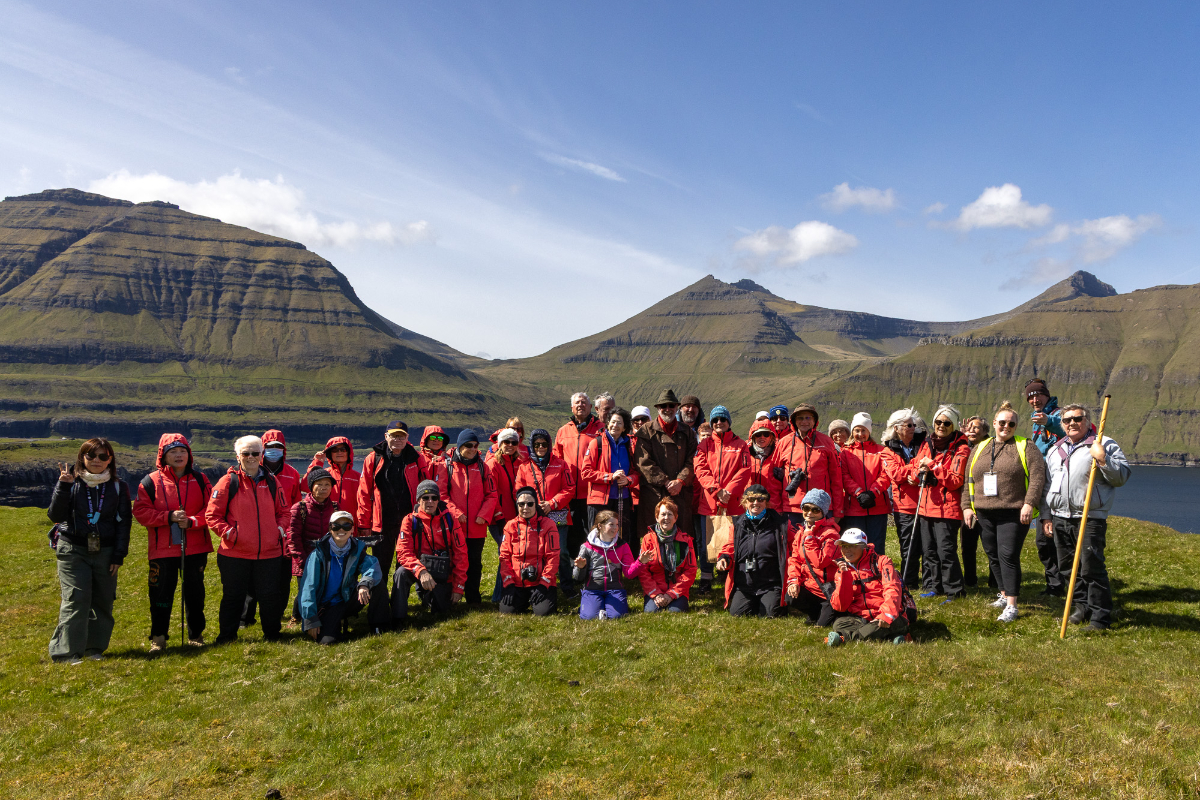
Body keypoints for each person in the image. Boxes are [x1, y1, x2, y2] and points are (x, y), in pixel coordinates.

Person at [1043, 403, 1131, 631]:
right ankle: (1082, 607)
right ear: (1061, 424)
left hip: (1089, 517)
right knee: (1067, 568)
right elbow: (1047, 486)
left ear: (1087, 420)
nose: (1072, 423)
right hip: (1060, 516)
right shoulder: (1055, 450)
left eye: (1077, 418)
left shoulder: (1103, 444)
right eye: (1067, 420)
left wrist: (1103, 459)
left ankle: (1100, 618)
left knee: (1091, 567)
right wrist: (1047, 516)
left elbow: (1121, 477)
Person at [48, 438, 132, 663]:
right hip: (73, 548)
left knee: (104, 599)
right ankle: (65, 653)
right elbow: (55, 516)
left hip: (105, 550)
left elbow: (124, 523)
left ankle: (93, 649)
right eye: (91, 456)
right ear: (82, 458)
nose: (97, 460)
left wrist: (118, 556)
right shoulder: (71, 482)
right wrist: (63, 486)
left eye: (103, 456)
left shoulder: (118, 486)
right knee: (77, 598)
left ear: (110, 460)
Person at [962, 402, 1047, 623]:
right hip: (984, 513)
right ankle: (1003, 592)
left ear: (1016, 426)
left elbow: (1038, 477)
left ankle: (1012, 605)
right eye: (1002, 422)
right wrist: (967, 507)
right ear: (994, 423)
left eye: (1011, 424)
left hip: (1014, 512)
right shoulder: (980, 448)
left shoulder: (1027, 446)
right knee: (992, 555)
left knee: (1008, 555)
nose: (1006, 427)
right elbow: (967, 480)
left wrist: (1029, 503)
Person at [205, 435, 292, 643]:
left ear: (261, 455)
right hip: (235, 553)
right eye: (246, 453)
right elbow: (212, 515)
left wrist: (277, 531)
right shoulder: (228, 482)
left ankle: (272, 635)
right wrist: (231, 535)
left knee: (270, 596)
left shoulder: (272, 481)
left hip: (269, 552)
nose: (251, 457)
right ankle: (227, 637)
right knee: (233, 597)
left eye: (255, 453)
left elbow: (284, 511)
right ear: (238, 456)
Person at [133, 433, 213, 652]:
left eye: (182, 451)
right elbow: (140, 512)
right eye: (173, 452)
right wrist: (167, 517)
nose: (179, 456)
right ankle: (158, 637)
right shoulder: (150, 481)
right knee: (160, 594)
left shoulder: (201, 479)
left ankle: (196, 635)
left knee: (195, 593)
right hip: (162, 550)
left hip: (195, 547)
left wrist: (193, 521)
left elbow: (213, 510)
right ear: (163, 456)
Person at [357, 421, 428, 598]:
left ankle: (398, 605)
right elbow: (364, 493)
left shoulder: (416, 458)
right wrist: (364, 524)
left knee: (403, 565)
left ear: (407, 438)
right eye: (394, 435)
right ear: (386, 436)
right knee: (380, 565)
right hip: (381, 524)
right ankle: (380, 604)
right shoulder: (373, 459)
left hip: (408, 524)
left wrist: (423, 518)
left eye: (401, 436)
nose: (398, 439)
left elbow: (426, 490)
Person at [908, 405, 970, 601]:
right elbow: (916, 464)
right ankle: (936, 586)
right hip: (927, 506)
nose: (941, 426)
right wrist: (915, 475)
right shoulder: (928, 444)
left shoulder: (961, 448)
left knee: (946, 551)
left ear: (953, 426)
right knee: (929, 551)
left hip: (947, 508)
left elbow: (955, 480)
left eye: (946, 423)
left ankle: (955, 590)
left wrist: (933, 466)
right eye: (938, 422)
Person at [242, 429, 302, 629]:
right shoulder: (252, 470)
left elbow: (295, 505)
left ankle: (275, 615)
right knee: (251, 578)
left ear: (284, 450)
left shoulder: (293, 474)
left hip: (283, 534)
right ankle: (245, 617)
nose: (273, 451)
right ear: (262, 449)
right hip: (254, 534)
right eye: (269, 447)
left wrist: (288, 531)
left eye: (278, 447)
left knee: (282, 579)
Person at [297, 510, 388, 643]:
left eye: (346, 526)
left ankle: (379, 626)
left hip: (348, 598)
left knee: (376, 583)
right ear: (330, 529)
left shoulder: (356, 549)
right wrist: (311, 620)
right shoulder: (318, 555)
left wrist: (364, 584)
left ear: (352, 529)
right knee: (328, 642)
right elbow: (308, 588)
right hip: (327, 605)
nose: (341, 529)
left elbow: (372, 565)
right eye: (336, 526)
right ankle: (332, 624)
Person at [435, 429, 498, 605]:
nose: (472, 449)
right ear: (460, 446)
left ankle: (473, 598)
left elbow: (492, 495)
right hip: (454, 525)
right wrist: (456, 513)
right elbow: (441, 495)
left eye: (475, 446)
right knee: (453, 562)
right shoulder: (447, 466)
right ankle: (450, 596)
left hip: (477, 527)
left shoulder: (483, 467)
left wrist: (484, 516)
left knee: (474, 564)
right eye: (468, 445)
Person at [693, 405, 751, 592]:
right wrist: (717, 490)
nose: (719, 423)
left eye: (722, 420)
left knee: (731, 541)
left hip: (733, 503)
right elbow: (700, 469)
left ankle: (729, 576)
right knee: (708, 543)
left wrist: (729, 491)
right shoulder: (704, 445)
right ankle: (706, 578)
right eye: (715, 420)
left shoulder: (741, 445)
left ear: (729, 422)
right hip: (709, 501)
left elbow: (744, 470)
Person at [392, 480, 467, 621]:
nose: (430, 501)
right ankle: (398, 618)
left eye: (434, 498)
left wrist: (458, 587)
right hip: (420, 568)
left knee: (442, 612)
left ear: (439, 500)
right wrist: (421, 571)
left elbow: (461, 554)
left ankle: (428, 596)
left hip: (443, 571)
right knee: (400, 574)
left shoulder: (450, 519)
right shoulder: (409, 521)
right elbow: (403, 552)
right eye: (425, 498)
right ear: (418, 500)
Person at [554, 391, 604, 594]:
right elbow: (556, 461)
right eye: (577, 403)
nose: (580, 406)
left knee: (590, 535)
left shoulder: (600, 429)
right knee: (569, 537)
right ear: (571, 408)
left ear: (591, 407)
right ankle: (576, 574)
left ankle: (593, 573)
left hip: (592, 493)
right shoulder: (563, 431)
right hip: (567, 496)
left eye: (584, 403)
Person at [715, 484, 790, 617]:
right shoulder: (737, 524)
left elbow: (795, 546)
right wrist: (724, 558)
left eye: (760, 499)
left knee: (770, 614)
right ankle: (754, 601)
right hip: (745, 585)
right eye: (751, 499)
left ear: (766, 502)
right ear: (745, 502)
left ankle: (770, 601)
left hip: (770, 584)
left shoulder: (781, 524)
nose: (756, 503)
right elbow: (730, 547)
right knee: (737, 614)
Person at [517, 428, 577, 594]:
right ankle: (541, 585)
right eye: (537, 445)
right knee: (537, 551)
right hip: (534, 515)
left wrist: (552, 503)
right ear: (532, 446)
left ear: (549, 445)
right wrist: (533, 507)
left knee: (562, 552)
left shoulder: (561, 464)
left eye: (544, 444)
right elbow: (519, 491)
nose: (540, 447)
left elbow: (569, 488)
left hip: (558, 514)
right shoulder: (524, 467)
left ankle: (567, 586)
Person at [826, 529, 910, 646]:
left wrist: (886, 614)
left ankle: (844, 639)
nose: (846, 550)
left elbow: (892, 588)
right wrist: (844, 576)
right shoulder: (841, 569)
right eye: (843, 546)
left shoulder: (882, 562)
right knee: (839, 623)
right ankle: (893, 638)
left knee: (879, 625)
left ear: (863, 546)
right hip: (861, 618)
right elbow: (840, 606)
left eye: (851, 546)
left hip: (889, 615)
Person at [634, 389, 698, 540]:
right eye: (663, 406)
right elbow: (643, 462)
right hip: (653, 494)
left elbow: (693, 460)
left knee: (682, 535)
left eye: (671, 405)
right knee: (652, 536)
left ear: (677, 407)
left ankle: (682, 564)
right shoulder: (646, 431)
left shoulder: (687, 432)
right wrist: (666, 481)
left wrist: (680, 481)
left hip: (681, 493)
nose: (667, 409)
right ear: (658, 408)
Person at [1026, 378, 1067, 597]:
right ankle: (1054, 585)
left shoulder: (1058, 415)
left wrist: (1048, 421)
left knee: (1056, 540)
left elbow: (1069, 430)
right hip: (1043, 484)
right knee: (1044, 542)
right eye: (1030, 397)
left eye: (1037, 395)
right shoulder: (1037, 420)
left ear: (1047, 395)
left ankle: (1066, 585)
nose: (1034, 399)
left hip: (1059, 486)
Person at [573, 509, 650, 620]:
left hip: (615, 590)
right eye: (611, 525)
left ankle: (605, 606)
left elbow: (629, 574)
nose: (615, 528)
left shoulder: (622, 546)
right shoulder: (587, 547)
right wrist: (581, 568)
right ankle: (592, 605)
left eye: (617, 524)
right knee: (588, 617)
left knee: (617, 616)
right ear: (600, 526)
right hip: (592, 590)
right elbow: (577, 577)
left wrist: (640, 562)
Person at [285, 467, 339, 624]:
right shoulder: (299, 508)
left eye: (327, 484)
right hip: (306, 557)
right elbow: (293, 537)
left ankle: (322, 614)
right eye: (319, 484)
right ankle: (297, 616)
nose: (324, 488)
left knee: (325, 587)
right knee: (306, 590)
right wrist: (302, 560)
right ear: (311, 486)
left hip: (329, 557)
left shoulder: (335, 507)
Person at [881, 407, 927, 587]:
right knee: (908, 545)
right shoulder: (887, 450)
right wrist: (916, 468)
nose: (913, 428)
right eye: (908, 425)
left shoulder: (922, 444)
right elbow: (897, 475)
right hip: (904, 506)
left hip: (925, 501)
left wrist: (912, 472)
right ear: (896, 428)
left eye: (914, 425)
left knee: (927, 545)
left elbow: (925, 465)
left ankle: (929, 581)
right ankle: (909, 582)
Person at [581, 407, 640, 547]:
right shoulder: (597, 443)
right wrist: (610, 477)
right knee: (598, 536)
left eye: (619, 423)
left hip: (622, 498)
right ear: (607, 423)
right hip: (599, 501)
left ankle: (618, 567)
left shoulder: (629, 446)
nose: (615, 426)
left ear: (625, 426)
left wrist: (629, 480)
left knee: (621, 536)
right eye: (613, 422)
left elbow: (636, 473)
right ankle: (598, 568)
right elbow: (586, 472)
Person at [498, 487, 561, 616]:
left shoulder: (548, 525)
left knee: (544, 613)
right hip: (517, 582)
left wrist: (544, 584)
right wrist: (508, 583)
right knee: (507, 612)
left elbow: (553, 557)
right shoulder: (510, 526)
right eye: (521, 504)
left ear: (536, 504)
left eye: (530, 504)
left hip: (540, 582)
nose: (525, 507)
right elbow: (504, 557)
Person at [778, 403, 845, 523]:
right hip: (792, 508)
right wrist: (777, 507)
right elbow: (775, 480)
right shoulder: (784, 443)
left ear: (815, 421)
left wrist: (838, 510)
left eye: (808, 418)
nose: (804, 421)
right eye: (800, 418)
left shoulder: (826, 442)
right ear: (793, 421)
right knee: (793, 542)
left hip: (821, 508)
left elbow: (836, 479)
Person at [785, 489, 841, 626]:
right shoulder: (801, 532)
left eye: (815, 510)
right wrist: (794, 581)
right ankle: (815, 613)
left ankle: (828, 612)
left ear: (823, 512)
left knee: (822, 626)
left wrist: (809, 537)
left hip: (827, 591)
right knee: (790, 597)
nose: (809, 513)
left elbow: (820, 562)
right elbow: (794, 559)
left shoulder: (831, 534)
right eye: (806, 508)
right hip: (810, 586)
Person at [485, 427, 529, 602]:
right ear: (499, 443)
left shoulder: (519, 462)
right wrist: (499, 516)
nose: (510, 445)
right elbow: (491, 493)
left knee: (512, 555)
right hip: (499, 520)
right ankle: (498, 596)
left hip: (516, 517)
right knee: (505, 556)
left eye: (513, 442)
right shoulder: (493, 464)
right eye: (506, 442)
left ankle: (511, 592)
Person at [840, 413, 892, 555]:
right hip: (854, 507)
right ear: (852, 432)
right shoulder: (845, 452)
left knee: (876, 545)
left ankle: (876, 573)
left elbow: (886, 474)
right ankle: (856, 576)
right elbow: (844, 475)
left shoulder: (881, 451)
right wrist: (858, 493)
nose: (860, 434)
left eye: (864, 430)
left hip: (878, 506)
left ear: (869, 431)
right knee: (855, 546)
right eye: (857, 430)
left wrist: (873, 493)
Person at [638, 498, 697, 612]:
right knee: (652, 611)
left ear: (676, 518)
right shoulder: (647, 539)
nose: (666, 518)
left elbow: (691, 570)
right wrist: (656, 593)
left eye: (670, 514)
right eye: (663, 514)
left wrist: (672, 594)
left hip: (677, 588)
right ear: (657, 517)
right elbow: (643, 570)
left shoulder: (686, 540)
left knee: (675, 612)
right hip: (655, 588)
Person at [960, 416, 992, 588]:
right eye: (969, 427)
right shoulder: (963, 447)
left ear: (986, 431)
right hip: (969, 504)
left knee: (991, 546)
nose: (972, 430)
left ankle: (995, 581)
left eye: (976, 427)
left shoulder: (993, 447)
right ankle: (970, 579)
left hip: (987, 504)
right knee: (968, 545)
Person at [305, 436, 360, 520]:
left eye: (343, 449)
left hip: (351, 524)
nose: (339, 452)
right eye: (335, 450)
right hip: (325, 523)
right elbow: (305, 487)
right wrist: (317, 463)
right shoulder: (324, 474)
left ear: (349, 452)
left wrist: (363, 524)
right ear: (330, 454)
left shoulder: (358, 477)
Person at [746, 418, 788, 514]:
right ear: (753, 437)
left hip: (774, 509)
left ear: (772, 436)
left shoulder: (780, 454)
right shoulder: (745, 455)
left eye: (766, 434)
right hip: (752, 507)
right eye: (758, 434)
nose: (762, 437)